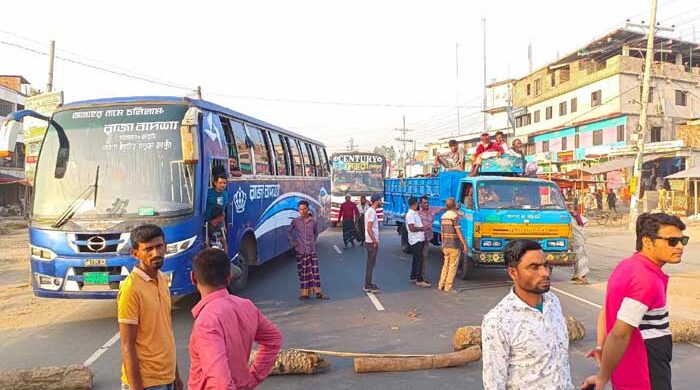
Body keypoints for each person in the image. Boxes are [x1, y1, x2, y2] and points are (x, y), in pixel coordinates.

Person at [581, 213, 687, 390]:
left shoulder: (627, 266)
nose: (680, 247)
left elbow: (606, 310)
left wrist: (601, 346)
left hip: (631, 367)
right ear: (647, 242)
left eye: (683, 241)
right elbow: (620, 334)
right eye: (672, 241)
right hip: (647, 370)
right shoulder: (646, 279)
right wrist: (602, 376)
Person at [482, 239, 573, 390]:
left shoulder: (553, 302)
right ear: (513, 273)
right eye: (534, 267)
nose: (544, 273)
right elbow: (494, 383)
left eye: (545, 265)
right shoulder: (498, 320)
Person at [188, 248, 282, 390]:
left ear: (193, 278)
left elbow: (221, 383)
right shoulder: (246, 306)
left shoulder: (206, 322)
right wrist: (254, 377)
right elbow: (274, 339)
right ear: (228, 277)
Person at [118, 225, 183, 390]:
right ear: (135, 253)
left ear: (165, 247)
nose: (156, 253)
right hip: (146, 383)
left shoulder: (161, 279)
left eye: (159, 246)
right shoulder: (130, 289)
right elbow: (127, 346)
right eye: (148, 249)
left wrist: (176, 375)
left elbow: (165, 332)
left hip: (167, 377)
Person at [288, 200, 329, 300]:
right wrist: (293, 242)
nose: (302, 211)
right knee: (303, 273)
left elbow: (316, 233)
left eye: (304, 209)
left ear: (308, 209)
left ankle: (318, 293)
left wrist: (312, 243)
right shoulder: (295, 221)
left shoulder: (313, 221)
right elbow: (289, 232)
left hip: (311, 251)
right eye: (300, 209)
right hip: (300, 251)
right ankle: (304, 294)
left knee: (314, 272)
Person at [438, 197, 467, 293]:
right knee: (452, 266)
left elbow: (442, 232)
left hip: (445, 245)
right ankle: (448, 287)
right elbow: (458, 232)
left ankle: (441, 284)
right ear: (454, 206)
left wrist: (442, 244)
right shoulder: (454, 217)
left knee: (445, 265)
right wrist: (464, 244)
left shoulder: (443, 216)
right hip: (454, 245)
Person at [406, 197, 430, 287]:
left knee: (416, 259)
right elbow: (412, 228)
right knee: (420, 259)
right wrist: (422, 228)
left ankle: (413, 276)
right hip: (416, 239)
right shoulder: (410, 215)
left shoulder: (414, 213)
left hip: (418, 238)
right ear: (415, 204)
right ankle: (419, 279)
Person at [363, 194, 383, 293]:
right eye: (380, 200)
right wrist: (374, 240)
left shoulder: (371, 211)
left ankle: (369, 283)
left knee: (371, 263)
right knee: (371, 264)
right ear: (377, 201)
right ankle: (367, 285)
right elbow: (369, 228)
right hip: (371, 242)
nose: (381, 202)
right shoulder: (371, 212)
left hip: (370, 240)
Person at [568, 203, 590, 285]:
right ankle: (577, 276)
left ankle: (583, 277)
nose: (570, 210)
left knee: (581, 259)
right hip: (574, 241)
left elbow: (584, 222)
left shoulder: (577, 217)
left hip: (579, 241)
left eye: (571, 208)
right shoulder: (570, 217)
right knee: (576, 259)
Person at [418, 195, 439, 279]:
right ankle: (419, 276)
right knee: (420, 258)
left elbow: (443, 208)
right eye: (424, 203)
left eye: (427, 202)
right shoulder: (417, 213)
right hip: (419, 239)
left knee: (424, 257)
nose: (426, 204)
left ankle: (421, 275)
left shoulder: (432, 210)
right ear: (420, 204)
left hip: (427, 238)